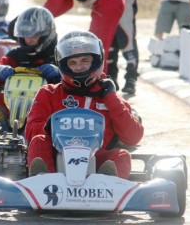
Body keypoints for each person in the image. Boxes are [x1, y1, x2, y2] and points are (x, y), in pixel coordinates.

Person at [25, 31, 144, 179]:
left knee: (121, 155)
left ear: (96, 60)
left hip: (97, 159)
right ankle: (42, 181)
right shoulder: (49, 93)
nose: (79, 67)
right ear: (64, 66)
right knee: (38, 141)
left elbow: (133, 138)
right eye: (73, 63)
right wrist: (49, 127)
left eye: (85, 60)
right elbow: (30, 131)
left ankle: (106, 185)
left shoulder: (112, 99)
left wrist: (111, 99)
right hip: (56, 159)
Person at [0, 6, 61, 116]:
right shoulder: (16, 55)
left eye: (34, 34)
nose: (29, 38)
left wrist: (60, 73)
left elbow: (76, 78)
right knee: (0, 97)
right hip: (14, 104)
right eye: (26, 33)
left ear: (47, 33)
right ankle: (0, 126)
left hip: (48, 108)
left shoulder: (60, 55)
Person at [43, 0, 125, 75]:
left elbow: (55, 1)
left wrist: (41, 19)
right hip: (108, 0)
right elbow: (67, 3)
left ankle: (100, 83)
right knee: (95, 47)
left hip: (108, 1)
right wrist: (46, 18)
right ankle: (97, 81)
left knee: (97, 49)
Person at [107, 0, 143, 95]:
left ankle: (130, 80)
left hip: (126, 14)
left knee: (129, 47)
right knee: (108, 48)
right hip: (107, 12)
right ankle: (111, 79)